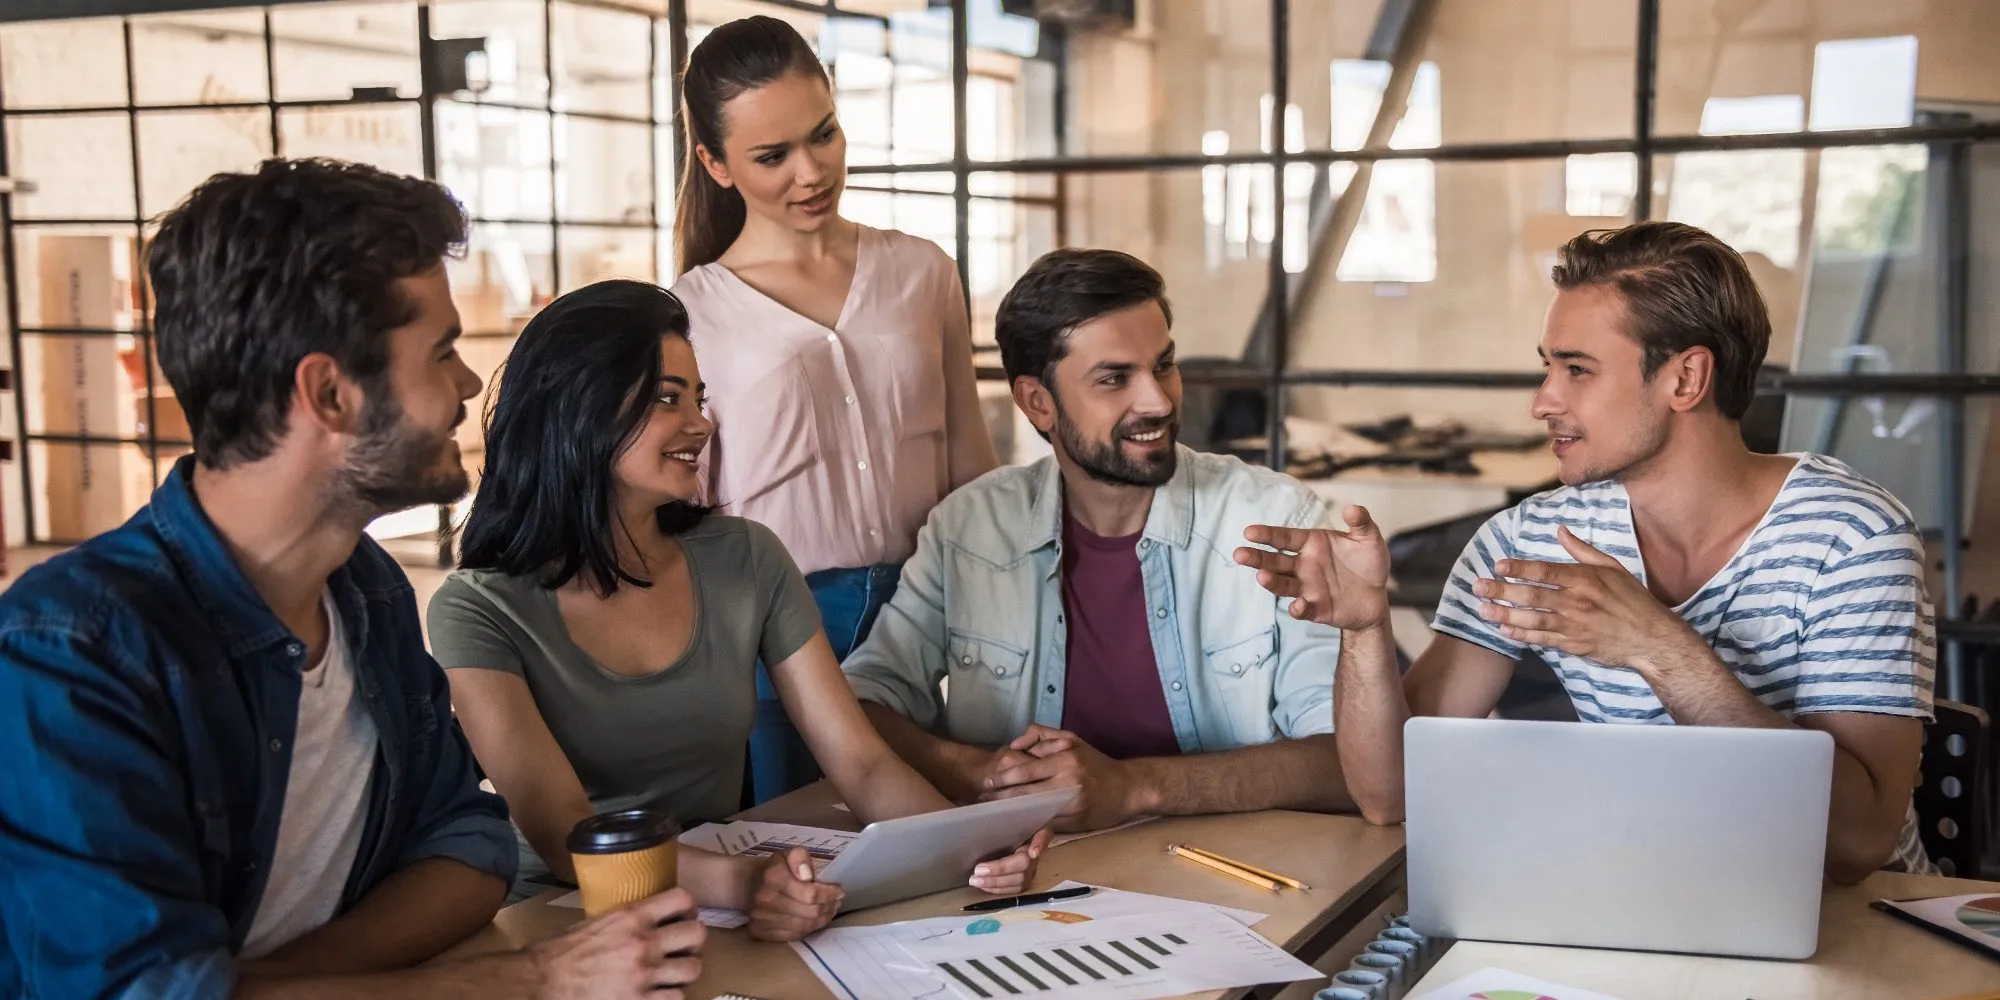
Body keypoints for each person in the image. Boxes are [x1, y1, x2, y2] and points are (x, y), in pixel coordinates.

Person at [0, 159, 705, 998]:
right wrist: (536, 979)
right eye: (442, 351)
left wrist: (258, 986)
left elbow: (469, 846)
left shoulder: (363, 588)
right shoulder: (72, 650)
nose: (468, 384)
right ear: (329, 393)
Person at [1237, 221, 1936, 883]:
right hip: (1648, 890)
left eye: (1577, 369)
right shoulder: (1529, 537)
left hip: (1859, 919)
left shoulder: (1854, 536)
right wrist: (1365, 630)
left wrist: (1660, 648)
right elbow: (1390, 794)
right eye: (1548, 368)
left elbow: (1857, 847)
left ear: (1686, 380)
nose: (1543, 401)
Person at [430, 279, 1045, 941]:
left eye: (698, 399)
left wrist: (968, 848)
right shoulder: (477, 610)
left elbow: (861, 763)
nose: (702, 424)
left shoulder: (746, 558)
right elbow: (564, 834)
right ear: (578, 408)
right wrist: (746, 885)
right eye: (667, 398)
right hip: (561, 921)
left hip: (715, 910)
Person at [842, 248, 1351, 834]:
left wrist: (1135, 787)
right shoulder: (968, 529)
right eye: (1114, 379)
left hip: (1237, 864)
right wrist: (977, 773)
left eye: (1163, 365)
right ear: (1038, 403)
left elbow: (1344, 762)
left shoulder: (1274, 519)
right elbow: (862, 705)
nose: (1159, 402)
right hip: (1033, 870)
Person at [669, 15, 1000, 803]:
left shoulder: (923, 271)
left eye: (824, 135)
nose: (812, 171)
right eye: (772, 156)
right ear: (715, 163)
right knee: (804, 845)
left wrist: (1002, 601)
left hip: (925, 614)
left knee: (944, 833)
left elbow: (971, 463)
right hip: (772, 633)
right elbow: (683, 510)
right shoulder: (690, 314)